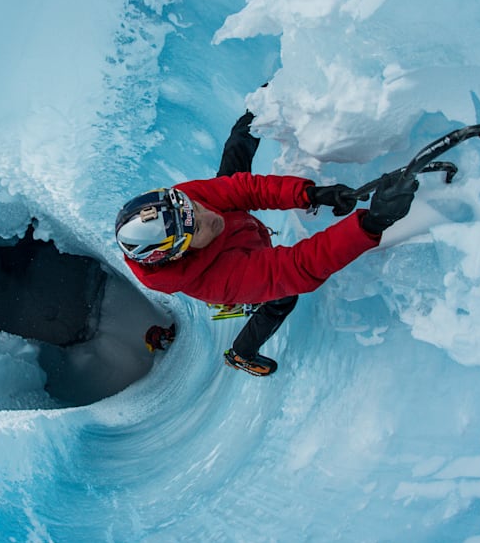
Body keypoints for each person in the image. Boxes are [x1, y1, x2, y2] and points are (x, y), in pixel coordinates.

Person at [114, 110, 419, 377]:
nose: (207, 214)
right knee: (284, 297)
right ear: (180, 253)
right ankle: (241, 354)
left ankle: (254, 115)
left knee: (234, 167)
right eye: (197, 225)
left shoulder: (181, 205)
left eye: (194, 206)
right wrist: (372, 223)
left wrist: (310, 194)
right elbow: (297, 266)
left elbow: (246, 190)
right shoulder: (221, 280)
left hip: (238, 229)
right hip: (240, 255)